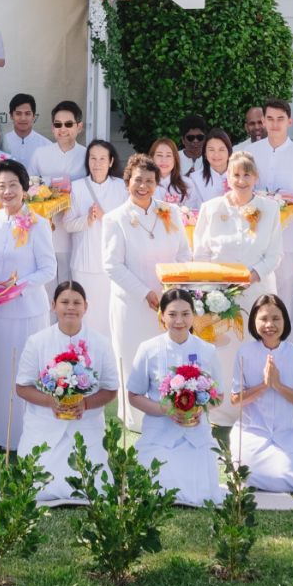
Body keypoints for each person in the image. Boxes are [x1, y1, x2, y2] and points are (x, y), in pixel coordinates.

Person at [100, 153, 187, 429]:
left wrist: (173, 291)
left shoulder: (170, 212)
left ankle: (168, 407)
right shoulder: (115, 219)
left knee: (165, 357)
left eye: (150, 181)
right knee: (133, 358)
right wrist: (146, 293)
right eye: (138, 180)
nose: (143, 186)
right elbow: (112, 265)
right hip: (133, 303)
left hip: (169, 301)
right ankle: (135, 417)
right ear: (128, 182)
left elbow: (185, 253)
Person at [13, 281, 118, 501]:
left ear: (86, 307)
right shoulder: (37, 342)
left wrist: (86, 403)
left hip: (85, 425)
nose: (71, 307)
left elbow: (110, 390)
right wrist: (50, 401)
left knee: (95, 489)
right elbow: (22, 387)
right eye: (64, 302)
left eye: (76, 302)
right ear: (53, 305)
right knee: (35, 489)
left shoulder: (101, 343)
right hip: (44, 425)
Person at [0, 164, 56, 450]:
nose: (7, 191)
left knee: (25, 374)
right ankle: (1, 435)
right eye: (1, 186)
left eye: (13, 185)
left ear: (24, 188)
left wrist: (18, 286)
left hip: (27, 312)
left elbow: (48, 268)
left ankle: (28, 439)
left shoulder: (38, 223)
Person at [127, 287, 225, 506]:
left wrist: (199, 408)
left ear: (193, 315)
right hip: (159, 433)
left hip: (196, 432)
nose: (179, 320)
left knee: (201, 493)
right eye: (172, 314)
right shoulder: (148, 349)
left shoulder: (207, 350)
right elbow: (133, 395)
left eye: (185, 314)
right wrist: (166, 409)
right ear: (162, 316)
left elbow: (219, 396)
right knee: (159, 490)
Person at [231, 293, 293, 492]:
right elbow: (235, 399)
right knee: (247, 477)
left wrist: (278, 385)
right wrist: (264, 385)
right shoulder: (244, 353)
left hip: (286, 432)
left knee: (286, 480)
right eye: (263, 318)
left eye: (276, 318)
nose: (269, 325)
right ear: (254, 321)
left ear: (285, 322)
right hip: (251, 430)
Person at [242, 99, 293, 320]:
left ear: (289, 122)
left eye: (280, 119)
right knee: (254, 303)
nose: (275, 124)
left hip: (289, 241)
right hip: (255, 240)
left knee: (284, 307)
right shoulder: (250, 153)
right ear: (263, 121)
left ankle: (285, 353)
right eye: (270, 119)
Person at [192, 152, 285, 319]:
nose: (241, 181)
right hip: (219, 295)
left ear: (255, 177)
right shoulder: (210, 208)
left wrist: (250, 278)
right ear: (227, 177)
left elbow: (275, 254)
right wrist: (211, 288)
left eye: (247, 175)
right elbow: (201, 254)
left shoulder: (270, 209)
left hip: (259, 294)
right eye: (236, 175)